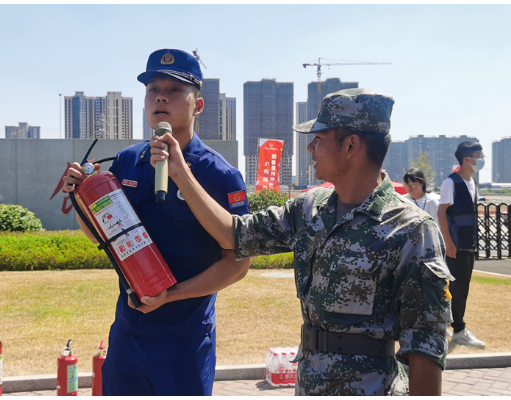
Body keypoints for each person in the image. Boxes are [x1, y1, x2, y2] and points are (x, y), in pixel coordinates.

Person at [148, 88, 453, 396]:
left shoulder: (411, 229)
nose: (310, 147)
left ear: (351, 145)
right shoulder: (309, 208)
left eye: (319, 138)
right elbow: (234, 234)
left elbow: (426, 344)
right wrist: (181, 173)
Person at [63, 49, 251, 396]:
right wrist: (79, 199)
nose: (160, 96)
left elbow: (237, 264)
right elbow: (101, 238)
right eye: (152, 89)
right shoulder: (126, 161)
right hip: (128, 335)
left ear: (198, 105)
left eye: (175, 89)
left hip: (185, 337)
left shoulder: (220, 175)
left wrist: (171, 296)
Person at [437, 141, 485, 348]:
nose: (482, 160)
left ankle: (453, 325)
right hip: (456, 245)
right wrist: (448, 242)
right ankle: (459, 329)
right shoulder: (451, 182)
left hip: (469, 244)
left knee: (462, 288)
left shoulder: (472, 182)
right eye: (480, 156)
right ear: (468, 159)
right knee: (456, 288)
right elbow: (442, 212)